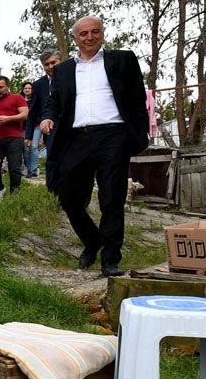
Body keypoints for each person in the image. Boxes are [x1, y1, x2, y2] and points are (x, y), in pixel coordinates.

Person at [41, 16, 149, 278]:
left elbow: (137, 96)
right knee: (68, 196)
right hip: (76, 137)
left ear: (102, 34)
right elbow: (54, 102)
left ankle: (110, 258)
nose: (89, 37)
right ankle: (92, 240)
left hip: (112, 135)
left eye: (95, 32)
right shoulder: (64, 70)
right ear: (75, 38)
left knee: (111, 197)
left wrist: (134, 132)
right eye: (84, 34)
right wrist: (47, 117)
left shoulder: (122, 60)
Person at [0, 76, 29, 196]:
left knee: (14, 168)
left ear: (8, 86)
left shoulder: (17, 97)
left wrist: (8, 119)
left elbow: (25, 115)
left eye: (1, 87)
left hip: (14, 138)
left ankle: (14, 194)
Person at [25, 50, 61, 180]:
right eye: (47, 64)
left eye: (53, 62)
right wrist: (28, 135)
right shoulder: (38, 85)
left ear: (60, 61)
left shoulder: (72, 78)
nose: (50, 66)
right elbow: (33, 111)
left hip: (72, 126)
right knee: (52, 158)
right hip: (49, 128)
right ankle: (53, 190)